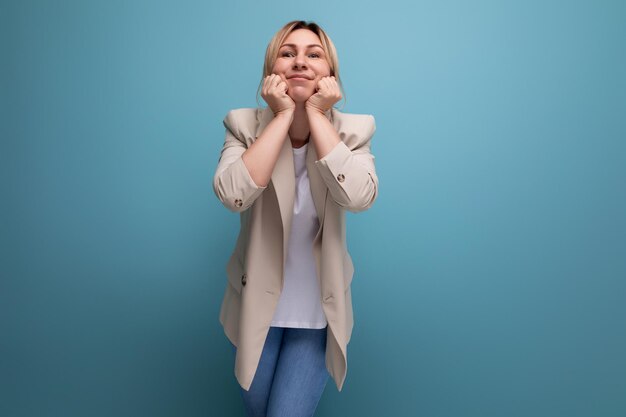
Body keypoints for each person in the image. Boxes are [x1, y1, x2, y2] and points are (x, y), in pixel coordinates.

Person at [213, 19, 379, 417]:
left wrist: (319, 117)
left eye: (313, 55)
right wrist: (283, 116)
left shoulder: (355, 131)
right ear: (271, 71)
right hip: (256, 307)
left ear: (331, 75)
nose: (300, 62)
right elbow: (233, 194)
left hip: (319, 314)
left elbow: (359, 197)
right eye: (288, 53)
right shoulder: (242, 125)